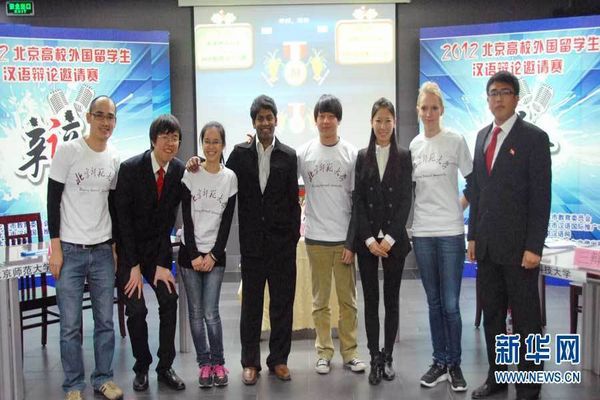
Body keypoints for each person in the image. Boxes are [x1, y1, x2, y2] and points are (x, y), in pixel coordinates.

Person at [467, 71, 551, 400]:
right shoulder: (481, 137)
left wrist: (534, 246)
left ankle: (529, 384)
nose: (498, 98)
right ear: (487, 100)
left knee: (527, 320)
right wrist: (473, 237)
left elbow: (541, 198)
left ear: (516, 98)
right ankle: (498, 377)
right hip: (487, 248)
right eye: (493, 93)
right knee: (493, 317)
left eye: (504, 92)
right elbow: (478, 192)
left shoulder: (534, 138)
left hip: (519, 251)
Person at [47, 95, 124, 400]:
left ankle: (103, 378)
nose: (106, 122)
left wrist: (114, 246)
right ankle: (73, 385)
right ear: (89, 117)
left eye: (111, 117)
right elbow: (53, 200)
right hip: (70, 250)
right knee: (70, 325)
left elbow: (114, 205)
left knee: (105, 322)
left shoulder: (114, 158)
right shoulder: (69, 151)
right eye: (100, 115)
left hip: (103, 250)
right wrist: (55, 247)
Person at [226, 95, 301, 385]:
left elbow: (293, 203)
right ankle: (250, 363)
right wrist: (197, 164)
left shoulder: (288, 155)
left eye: (269, 117)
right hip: (252, 245)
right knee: (252, 306)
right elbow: (220, 176)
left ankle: (279, 360)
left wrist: (292, 239)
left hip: (282, 246)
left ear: (276, 120)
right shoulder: (240, 154)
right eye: (260, 118)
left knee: (282, 304)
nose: (265, 122)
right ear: (254, 122)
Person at [115, 114, 186, 392]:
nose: (170, 143)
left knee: (169, 299)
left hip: (158, 252)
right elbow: (122, 221)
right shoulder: (131, 168)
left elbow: (167, 221)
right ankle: (141, 367)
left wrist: (162, 264)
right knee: (136, 308)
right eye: (165, 137)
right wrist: (132, 265)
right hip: (130, 251)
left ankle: (165, 366)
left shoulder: (178, 170)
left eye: (175, 137)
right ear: (153, 140)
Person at [410, 81, 472, 392]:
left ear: (442, 110)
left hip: (450, 233)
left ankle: (455, 364)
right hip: (422, 233)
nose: (429, 113)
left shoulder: (455, 141)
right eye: (424, 108)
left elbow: (474, 183)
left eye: (434, 108)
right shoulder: (413, 146)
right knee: (433, 303)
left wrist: (457, 207)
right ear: (418, 110)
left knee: (450, 304)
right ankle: (439, 361)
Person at [297, 94, 366, 375]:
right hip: (316, 239)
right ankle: (323, 352)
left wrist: (352, 242)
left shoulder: (351, 154)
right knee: (320, 302)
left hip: (343, 241)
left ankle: (350, 352)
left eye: (331, 116)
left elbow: (358, 201)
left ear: (338, 120)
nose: (326, 121)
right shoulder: (304, 154)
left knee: (348, 302)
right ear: (315, 120)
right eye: (321, 116)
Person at [353, 98, 412, 385]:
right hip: (367, 241)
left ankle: (388, 356)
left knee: (391, 299)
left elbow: (406, 200)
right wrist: (367, 239)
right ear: (371, 122)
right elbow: (358, 202)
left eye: (388, 120)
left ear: (394, 123)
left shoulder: (404, 156)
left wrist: (389, 238)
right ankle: (374, 357)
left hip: (393, 241)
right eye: (378, 120)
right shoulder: (362, 156)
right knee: (371, 300)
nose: (383, 126)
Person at [178, 121, 237, 388]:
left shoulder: (230, 178)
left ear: (223, 145)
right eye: (207, 141)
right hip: (189, 255)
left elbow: (226, 222)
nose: (211, 146)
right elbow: (186, 218)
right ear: (201, 144)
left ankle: (218, 362)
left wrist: (213, 255)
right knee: (195, 313)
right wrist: (193, 255)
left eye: (216, 142)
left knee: (211, 313)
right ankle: (204, 364)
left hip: (215, 256)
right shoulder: (191, 174)